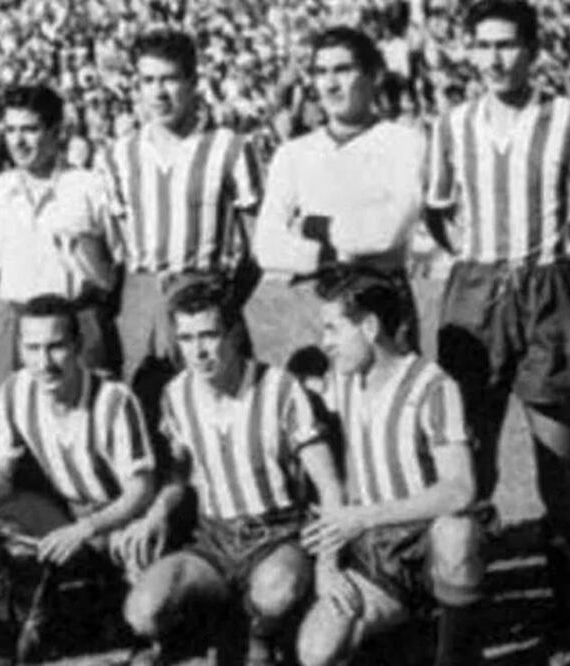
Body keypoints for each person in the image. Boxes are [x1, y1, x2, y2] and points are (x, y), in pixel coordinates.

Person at [425, 1, 570, 656]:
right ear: (466, 51)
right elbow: (436, 212)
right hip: (475, 293)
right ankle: (465, 627)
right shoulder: (452, 123)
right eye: (480, 46)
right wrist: (476, 265)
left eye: (505, 45)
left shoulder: (564, 117)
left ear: (533, 49)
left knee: (558, 469)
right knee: (467, 464)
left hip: (549, 292)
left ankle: (565, 618)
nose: (492, 59)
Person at [119, 281, 340, 666]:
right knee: (143, 611)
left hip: (278, 532)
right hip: (215, 538)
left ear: (235, 333)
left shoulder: (280, 390)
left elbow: (328, 482)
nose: (199, 351)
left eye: (209, 335)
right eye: (186, 338)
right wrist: (155, 514)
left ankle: (261, 631)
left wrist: (329, 563)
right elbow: (179, 474)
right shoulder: (176, 394)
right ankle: (217, 625)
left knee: (277, 590)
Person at [0, 295, 157, 662]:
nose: (43, 363)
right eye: (32, 348)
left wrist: (88, 528)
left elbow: (140, 490)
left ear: (77, 346)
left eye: (55, 347)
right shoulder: (15, 391)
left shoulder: (113, 401)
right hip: (65, 513)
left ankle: (113, 611)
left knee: (146, 616)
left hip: (115, 519)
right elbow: (1, 467)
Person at [296, 268, 483, 666]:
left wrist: (364, 516)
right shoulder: (342, 382)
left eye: (333, 329)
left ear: (369, 326)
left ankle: (456, 654)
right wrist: (327, 568)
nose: (324, 343)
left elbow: (460, 488)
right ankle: (410, 631)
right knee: (317, 652)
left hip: (426, 541)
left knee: (457, 532)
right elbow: (332, 484)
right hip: (378, 553)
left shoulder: (433, 387)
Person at [96, 28, 262, 423]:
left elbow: (259, 247)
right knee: (146, 422)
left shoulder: (230, 148)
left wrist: (226, 302)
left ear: (193, 81)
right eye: (148, 81)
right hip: (145, 299)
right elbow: (113, 253)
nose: (159, 93)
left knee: (229, 418)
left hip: (209, 295)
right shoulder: (119, 155)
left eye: (170, 79)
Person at [254, 26, 425, 350]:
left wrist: (310, 227)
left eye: (343, 70)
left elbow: (387, 232)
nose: (330, 84)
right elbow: (266, 245)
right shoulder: (293, 153)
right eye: (321, 72)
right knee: (315, 399)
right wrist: (338, 250)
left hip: (382, 302)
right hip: (313, 304)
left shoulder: (403, 143)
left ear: (373, 75)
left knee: (389, 397)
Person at [0, 84, 119, 380]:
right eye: (11, 130)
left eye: (30, 129)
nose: (19, 141)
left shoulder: (90, 188)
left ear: (56, 131)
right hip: (20, 326)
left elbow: (118, 264)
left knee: (91, 418)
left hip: (80, 324)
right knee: (21, 417)